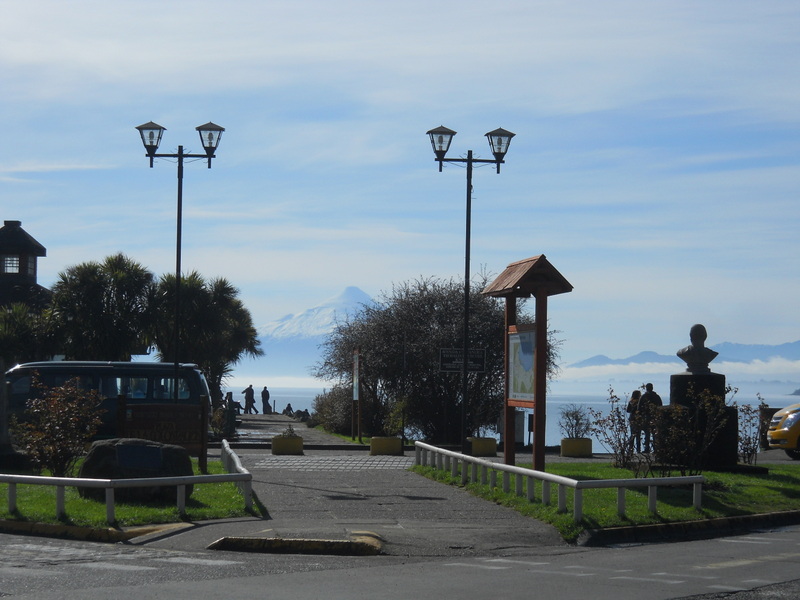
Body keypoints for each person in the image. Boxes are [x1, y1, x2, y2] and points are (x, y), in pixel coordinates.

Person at [639, 383, 663, 452]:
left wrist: (641, 416)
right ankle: (656, 448)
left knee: (647, 433)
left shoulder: (643, 397)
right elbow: (660, 406)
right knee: (655, 433)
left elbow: (639, 408)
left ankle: (647, 448)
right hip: (655, 417)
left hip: (646, 417)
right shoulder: (657, 397)